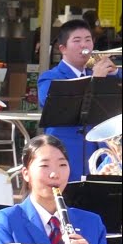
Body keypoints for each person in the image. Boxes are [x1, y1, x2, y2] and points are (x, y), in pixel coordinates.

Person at [37, 18, 121, 182]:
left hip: (100, 158)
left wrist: (115, 73)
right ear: (63, 49)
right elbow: (48, 103)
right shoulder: (50, 78)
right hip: (66, 153)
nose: (84, 45)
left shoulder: (97, 73)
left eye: (88, 40)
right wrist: (95, 81)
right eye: (77, 40)